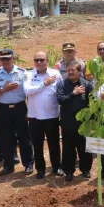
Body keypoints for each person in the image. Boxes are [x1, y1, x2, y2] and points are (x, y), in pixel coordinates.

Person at [0, 49, 34, 176]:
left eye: (8, 58)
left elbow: (29, 93)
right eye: (3, 59)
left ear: (13, 59)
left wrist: (29, 110)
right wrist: (2, 89)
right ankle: (8, 165)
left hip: (20, 108)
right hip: (3, 109)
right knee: (6, 139)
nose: (5, 61)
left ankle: (28, 164)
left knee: (24, 138)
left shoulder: (23, 73)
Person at [24, 51, 63, 180]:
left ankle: (56, 167)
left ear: (47, 61)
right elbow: (27, 90)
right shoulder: (28, 74)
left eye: (42, 60)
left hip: (51, 115)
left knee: (54, 143)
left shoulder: (55, 74)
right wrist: (44, 84)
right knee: (37, 143)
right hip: (34, 116)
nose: (39, 62)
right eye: (37, 60)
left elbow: (60, 92)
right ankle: (40, 169)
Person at [56, 62, 93, 181]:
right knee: (68, 149)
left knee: (84, 148)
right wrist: (73, 93)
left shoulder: (87, 85)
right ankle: (69, 171)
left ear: (79, 71)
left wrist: (91, 121)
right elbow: (61, 100)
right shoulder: (62, 84)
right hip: (68, 123)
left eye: (73, 70)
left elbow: (91, 103)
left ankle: (85, 170)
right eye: (69, 70)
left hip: (83, 124)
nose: (70, 72)